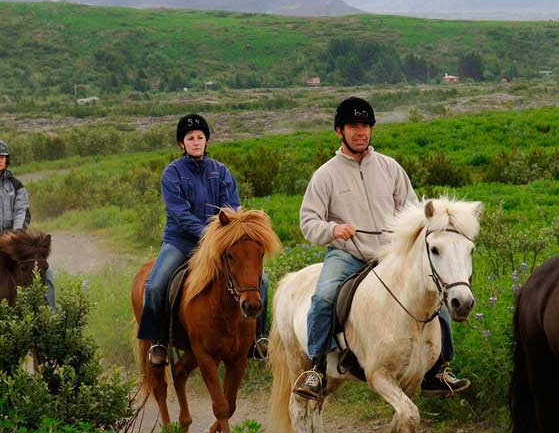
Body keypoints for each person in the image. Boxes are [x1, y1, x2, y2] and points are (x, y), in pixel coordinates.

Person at [292, 96, 470, 401]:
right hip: (346, 254)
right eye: (353, 126)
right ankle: (317, 368)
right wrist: (332, 229)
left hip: (391, 256)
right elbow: (308, 221)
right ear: (339, 131)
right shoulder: (326, 175)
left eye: (365, 126)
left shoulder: (390, 168)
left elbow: (413, 211)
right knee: (323, 297)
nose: (360, 132)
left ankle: (440, 369)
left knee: (435, 294)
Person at [136, 113, 270, 367]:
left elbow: (231, 209)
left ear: (207, 140)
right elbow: (179, 212)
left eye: (200, 137)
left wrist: (220, 238)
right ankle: (158, 341)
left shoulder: (221, 172)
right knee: (155, 285)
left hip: (219, 245)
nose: (196, 142)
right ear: (181, 144)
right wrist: (209, 234)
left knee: (260, 280)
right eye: (190, 138)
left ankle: (258, 337)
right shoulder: (172, 173)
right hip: (180, 242)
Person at [0, 138, 56, 310]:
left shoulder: (17, 185)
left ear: (7, 159)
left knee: (46, 275)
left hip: (13, 242)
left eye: (2, 156)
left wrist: (15, 235)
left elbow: (22, 211)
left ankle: (51, 317)